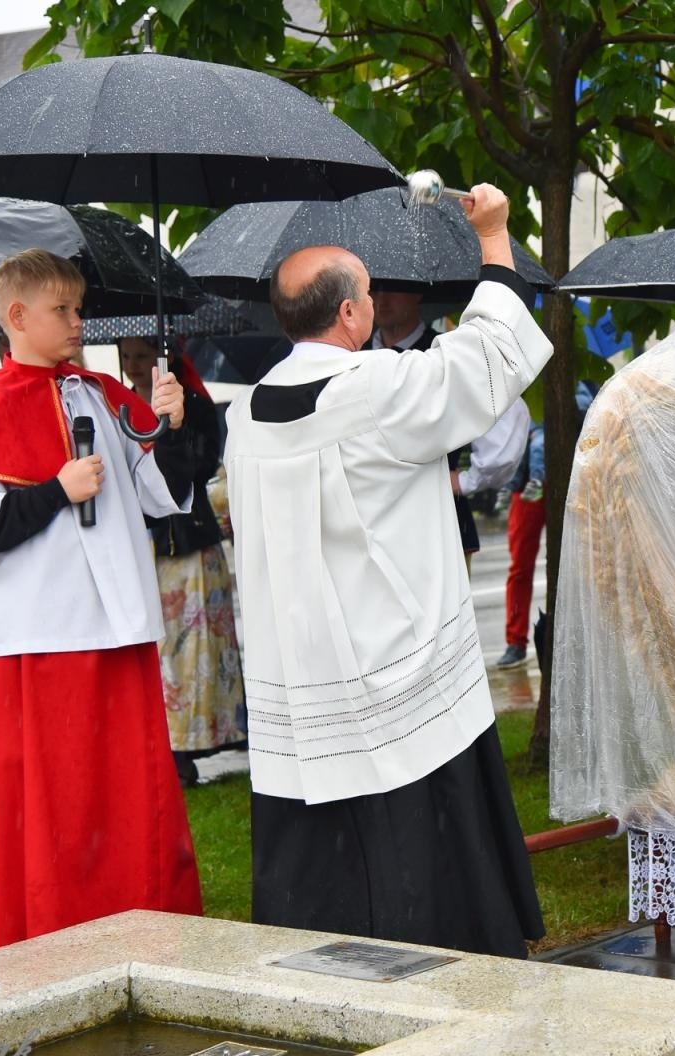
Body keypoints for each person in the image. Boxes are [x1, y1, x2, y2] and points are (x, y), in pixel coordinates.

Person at [223, 184, 550, 957]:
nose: (374, 304)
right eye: (368, 292)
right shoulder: (372, 391)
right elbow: (489, 360)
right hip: (393, 668)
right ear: (348, 315)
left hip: (301, 674)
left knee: (327, 851)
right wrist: (494, 239)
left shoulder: (248, 413)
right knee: (420, 856)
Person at [0, 250, 203, 946]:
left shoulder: (101, 393)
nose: (79, 322)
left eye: (78, 309)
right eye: (63, 311)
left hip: (121, 624)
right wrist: (53, 492)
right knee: (61, 800)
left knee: (134, 792)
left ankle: (146, 918)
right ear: (16, 317)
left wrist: (174, 427)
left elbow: (161, 493)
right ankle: (59, 927)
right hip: (46, 635)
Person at [118, 335, 247, 787]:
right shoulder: (118, 403)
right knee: (158, 652)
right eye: (127, 357)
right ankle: (162, 743)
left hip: (189, 541)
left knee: (194, 651)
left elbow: (204, 459)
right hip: (146, 546)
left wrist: (170, 436)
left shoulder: (189, 401)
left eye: (141, 357)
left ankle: (194, 740)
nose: (133, 366)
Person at [367, 285, 530, 569]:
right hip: (366, 522)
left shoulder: (446, 354)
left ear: (417, 293)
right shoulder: (352, 353)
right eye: (375, 290)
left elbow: (508, 411)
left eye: (392, 289)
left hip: (438, 519)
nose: (382, 300)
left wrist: (467, 480)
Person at [496, 417, 545, 669]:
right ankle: (516, 641)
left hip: (549, 481)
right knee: (520, 569)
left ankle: (517, 641)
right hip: (526, 486)